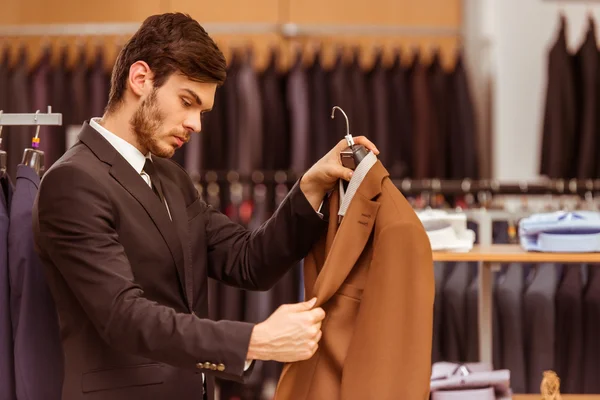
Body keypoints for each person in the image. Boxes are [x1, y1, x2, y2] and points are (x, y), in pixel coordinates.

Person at [32, 12, 379, 400]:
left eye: (202, 111)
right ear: (141, 79)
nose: (196, 124)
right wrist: (254, 340)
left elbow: (248, 261)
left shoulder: (171, 178)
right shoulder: (72, 182)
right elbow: (123, 316)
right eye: (187, 102)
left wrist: (311, 186)